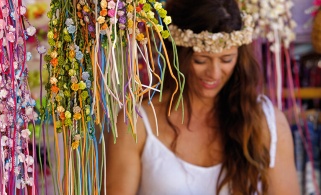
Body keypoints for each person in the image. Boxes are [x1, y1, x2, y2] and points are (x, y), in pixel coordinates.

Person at [105, 0, 300, 194]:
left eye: (226, 59)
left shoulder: (266, 122)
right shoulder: (136, 123)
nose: (214, 73)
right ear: (178, 55)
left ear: (239, 58)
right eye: (201, 60)